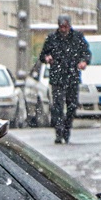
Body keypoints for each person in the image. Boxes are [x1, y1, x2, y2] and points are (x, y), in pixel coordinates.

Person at [40, 15, 91, 144]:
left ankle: (67, 128)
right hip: (57, 77)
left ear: (69, 26)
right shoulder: (52, 38)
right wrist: (47, 58)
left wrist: (84, 61)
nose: (63, 29)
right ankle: (58, 132)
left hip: (72, 76)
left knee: (72, 105)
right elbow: (43, 54)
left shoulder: (77, 37)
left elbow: (86, 52)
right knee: (57, 106)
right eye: (61, 26)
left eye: (66, 26)